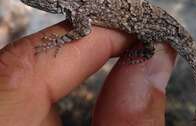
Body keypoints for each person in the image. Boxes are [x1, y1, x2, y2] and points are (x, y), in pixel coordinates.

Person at [0, 21, 176, 126]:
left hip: (149, 22)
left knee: (148, 46)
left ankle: (148, 52)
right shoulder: (76, 8)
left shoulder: (78, 10)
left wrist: (57, 41)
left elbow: (84, 31)